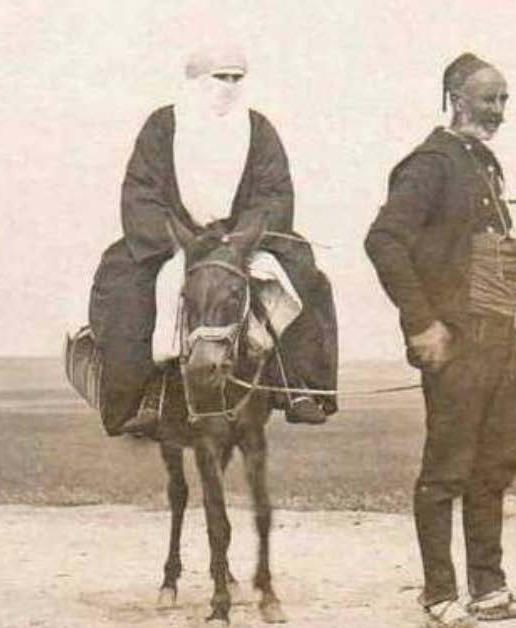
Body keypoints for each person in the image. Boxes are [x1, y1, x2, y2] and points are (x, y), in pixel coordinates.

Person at [364, 52, 516, 628]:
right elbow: (384, 242)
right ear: (455, 95)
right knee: (447, 467)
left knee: (495, 459)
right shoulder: (429, 165)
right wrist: (423, 323)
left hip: (495, 334)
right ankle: (438, 597)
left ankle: (490, 590)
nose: (498, 110)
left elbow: (467, 243)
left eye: (503, 99)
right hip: (454, 339)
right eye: (487, 99)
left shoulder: (482, 164)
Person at [74, 43, 338, 436]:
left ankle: (295, 383)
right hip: (177, 239)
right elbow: (140, 190)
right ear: (197, 81)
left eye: (237, 78)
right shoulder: (163, 126)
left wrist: (243, 236)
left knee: (302, 278)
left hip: (241, 239)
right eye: (220, 77)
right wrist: (177, 237)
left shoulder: (258, 128)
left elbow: (274, 191)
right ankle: (147, 394)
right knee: (129, 289)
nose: (229, 86)